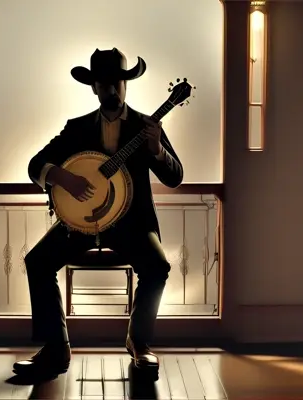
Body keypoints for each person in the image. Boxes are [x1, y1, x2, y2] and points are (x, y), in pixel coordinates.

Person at [13, 48, 184, 379]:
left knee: (158, 266)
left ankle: (140, 344)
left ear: (126, 84)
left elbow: (175, 177)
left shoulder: (146, 127)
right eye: (104, 84)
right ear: (93, 87)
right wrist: (64, 178)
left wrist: (157, 150)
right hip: (79, 224)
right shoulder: (76, 129)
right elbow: (36, 166)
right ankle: (55, 348)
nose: (112, 89)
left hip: (131, 223)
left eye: (118, 82)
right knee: (37, 260)